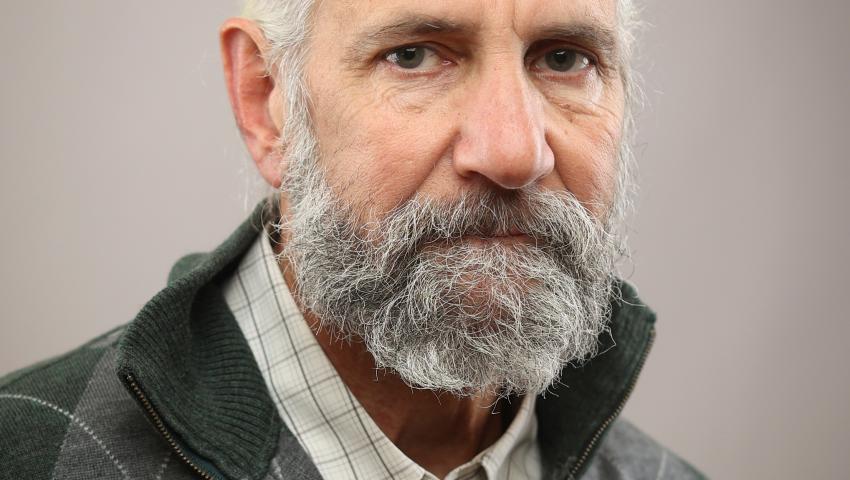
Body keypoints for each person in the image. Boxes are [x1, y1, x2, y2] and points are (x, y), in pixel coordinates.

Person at [0, 0, 705, 479]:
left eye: (565, 59)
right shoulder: (33, 455)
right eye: (414, 55)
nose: (514, 152)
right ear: (266, 99)